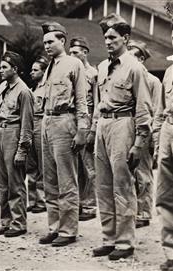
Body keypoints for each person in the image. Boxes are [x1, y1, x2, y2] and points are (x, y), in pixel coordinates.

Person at [89, 14, 152, 260]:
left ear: (125, 39)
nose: (108, 41)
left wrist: (139, 142)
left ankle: (125, 243)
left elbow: (143, 108)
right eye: (105, 37)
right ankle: (109, 238)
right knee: (103, 185)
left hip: (124, 123)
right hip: (104, 125)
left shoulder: (135, 68)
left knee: (123, 185)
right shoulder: (103, 67)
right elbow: (98, 102)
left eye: (113, 37)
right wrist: (94, 128)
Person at [39, 22, 88, 247]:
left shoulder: (74, 64)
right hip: (47, 121)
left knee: (67, 179)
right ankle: (54, 227)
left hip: (65, 121)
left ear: (62, 41)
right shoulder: (50, 66)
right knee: (49, 179)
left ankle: (68, 231)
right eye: (45, 42)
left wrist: (81, 131)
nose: (47, 46)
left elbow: (81, 101)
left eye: (51, 41)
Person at [0, 51, 34, 237]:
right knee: (2, 182)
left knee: (15, 182)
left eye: (4, 67)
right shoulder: (2, 87)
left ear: (15, 69)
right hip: (1, 132)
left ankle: (19, 223)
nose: (0, 70)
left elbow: (27, 124)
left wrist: (22, 150)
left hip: (13, 133)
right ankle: (6, 221)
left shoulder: (24, 91)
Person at [127, 40, 162, 229]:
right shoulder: (127, 77)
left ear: (141, 59)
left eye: (132, 56)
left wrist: (153, 139)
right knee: (128, 172)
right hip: (127, 127)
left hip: (145, 130)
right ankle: (132, 210)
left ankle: (144, 212)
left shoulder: (152, 81)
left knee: (143, 173)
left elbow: (156, 109)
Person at [69, 36, 98, 221]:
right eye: (70, 52)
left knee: (89, 167)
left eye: (75, 52)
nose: (71, 55)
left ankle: (89, 206)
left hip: (86, 121)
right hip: (71, 119)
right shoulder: (71, 71)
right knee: (75, 166)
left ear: (85, 52)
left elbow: (96, 101)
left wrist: (93, 127)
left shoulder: (92, 74)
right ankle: (78, 203)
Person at [153, 29, 173, 271]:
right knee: (166, 196)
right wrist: (158, 141)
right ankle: (171, 252)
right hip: (169, 130)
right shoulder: (169, 71)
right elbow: (160, 111)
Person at [26, 56, 48, 214]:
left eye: (36, 70)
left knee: (42, 164)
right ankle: (32, 199)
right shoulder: (33, 89)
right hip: (31, 124)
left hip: (41, 123)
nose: (32, 72)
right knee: (31, 164)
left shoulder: (47, 88)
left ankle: (42, 200)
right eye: (32, 69)